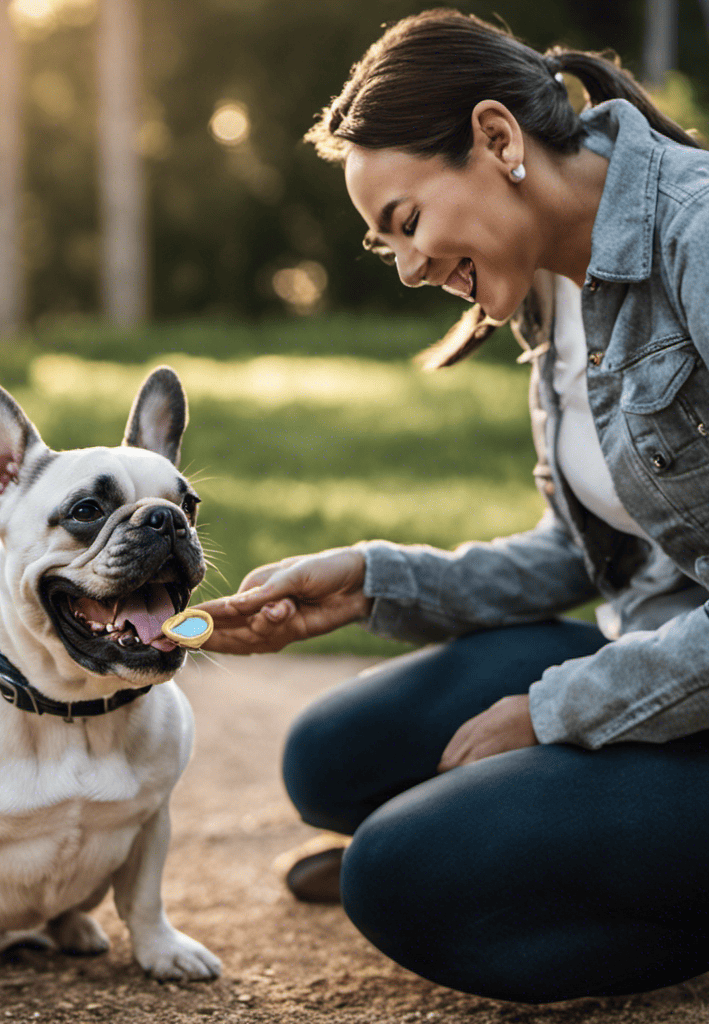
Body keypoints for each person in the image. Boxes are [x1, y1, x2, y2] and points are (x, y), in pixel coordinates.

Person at [196, 7, 709, 1005]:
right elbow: (586, 550)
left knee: (396, 877)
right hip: (662, 652)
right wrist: (371, 583)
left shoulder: (695, 233)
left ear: (496, 139)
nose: (409, 265)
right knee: (331, 760)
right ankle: (518, 846)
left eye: (405, 223)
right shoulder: (546, 288)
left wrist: (560, 710)